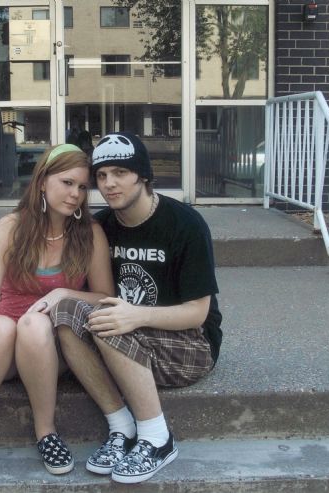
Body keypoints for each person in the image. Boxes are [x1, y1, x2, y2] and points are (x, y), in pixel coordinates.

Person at [51, 132, 223, 484]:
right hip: (129, 336)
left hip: (190, 343)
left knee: (111, 320)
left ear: (143, 175)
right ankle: (122, 428)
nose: (109, 184)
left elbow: (197, 312)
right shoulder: (103, 227)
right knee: (67, 313)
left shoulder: (185, 225)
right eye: (101, 175)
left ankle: (157, 438)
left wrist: (138, 314)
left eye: (120, 173)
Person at [0, 144, 114, 477]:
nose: (75, 193)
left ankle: (46, 432)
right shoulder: (11, 227)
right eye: (67, 182)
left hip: (50, 351)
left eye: (81, 186)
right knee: (0, 326)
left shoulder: (89, 234)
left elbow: (105, 296)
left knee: (34, 324)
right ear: (42, 182)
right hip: (0, 351)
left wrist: (64, 292)